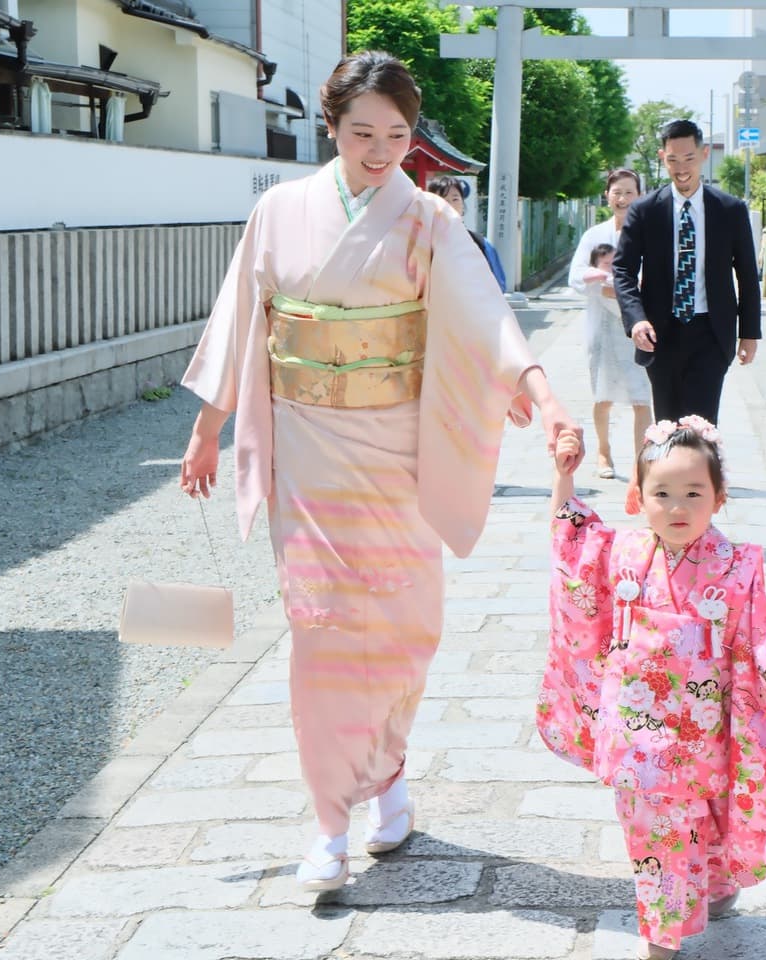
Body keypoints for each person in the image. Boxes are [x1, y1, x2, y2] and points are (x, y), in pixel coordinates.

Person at [177, 51, 581, 893]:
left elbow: (484, 315)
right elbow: (241, 321)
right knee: (321, 629)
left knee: (403, 628)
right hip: (308, 449)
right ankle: (329, 822)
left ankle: (388, 778)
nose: (380, 151)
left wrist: (542, 396)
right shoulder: (279, 210)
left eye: (397, 136)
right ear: (329, 126)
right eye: (362, 133)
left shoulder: (427, 220)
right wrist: (207, 430)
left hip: (398, 451)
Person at [541, 417, 766, 960]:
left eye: (693, 493)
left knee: (704, 819)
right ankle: (662, 932)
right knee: (654, 831)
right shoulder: (624, 555)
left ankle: (715, 882)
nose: (677, 507)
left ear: (719, 499)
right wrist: (563, 478)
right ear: (637, 497)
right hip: (635, 736)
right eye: (662, 493)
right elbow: (574, 547)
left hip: (701, 732)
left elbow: (760, 630)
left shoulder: (734, 567)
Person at [613, 119, 761, 427]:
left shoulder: (730, 210)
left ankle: (702, 461)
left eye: (689, 158)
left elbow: (747, 273)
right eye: (673, 160)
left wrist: (749, 332)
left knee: (701, 428)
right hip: (660, 334)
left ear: (704, 154)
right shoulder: (645, 211)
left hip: (711, 333)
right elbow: (623, 269)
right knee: (667, 425)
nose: (681, 169)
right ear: (662, 157)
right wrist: (636, 319)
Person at [568, 169, 652, 480]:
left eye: (629, 192)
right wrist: (601, 284)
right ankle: (603, 451)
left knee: (642, 397)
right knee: (602, 395)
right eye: (617, 192)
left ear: (640, 196)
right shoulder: (594, 236)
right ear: (607, 196)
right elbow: (576, 275)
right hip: (602, 323)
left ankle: (642, 460)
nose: (623, 198)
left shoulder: (649, 233)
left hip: (638, 324)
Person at [426, 174, 508, 292]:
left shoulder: (480, 244)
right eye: (443, 199)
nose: (450, 205)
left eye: (455, 199)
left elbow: (498, 286)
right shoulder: (422, 242)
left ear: (463, 204)